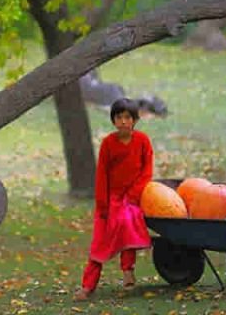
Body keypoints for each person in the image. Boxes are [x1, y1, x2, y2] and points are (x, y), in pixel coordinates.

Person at [74, 97, 154, 301]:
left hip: (133, 197)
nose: (124, 121)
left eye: (128, 117)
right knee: (100, 241)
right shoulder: (108, 144)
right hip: (111, 198)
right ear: (113, 120)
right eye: (119, 117)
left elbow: (147, 171)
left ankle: (128, 269)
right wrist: (103, 205)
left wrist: (134, 195)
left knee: (128, 221)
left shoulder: (142, 141)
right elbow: (102, 175)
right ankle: (87, 286)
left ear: (135, 120)